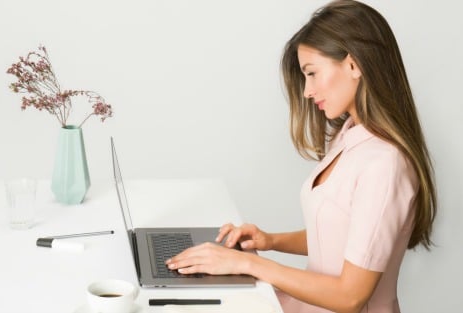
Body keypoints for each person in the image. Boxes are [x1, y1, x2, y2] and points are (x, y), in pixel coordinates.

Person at [165, 1, 437, 312]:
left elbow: (350, 297)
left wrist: (249, 265)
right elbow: (341, 234)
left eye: (312, 73)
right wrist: (269, 241)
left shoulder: (384, 164)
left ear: (353, 65)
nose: (307, 91)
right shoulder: (349, 135)